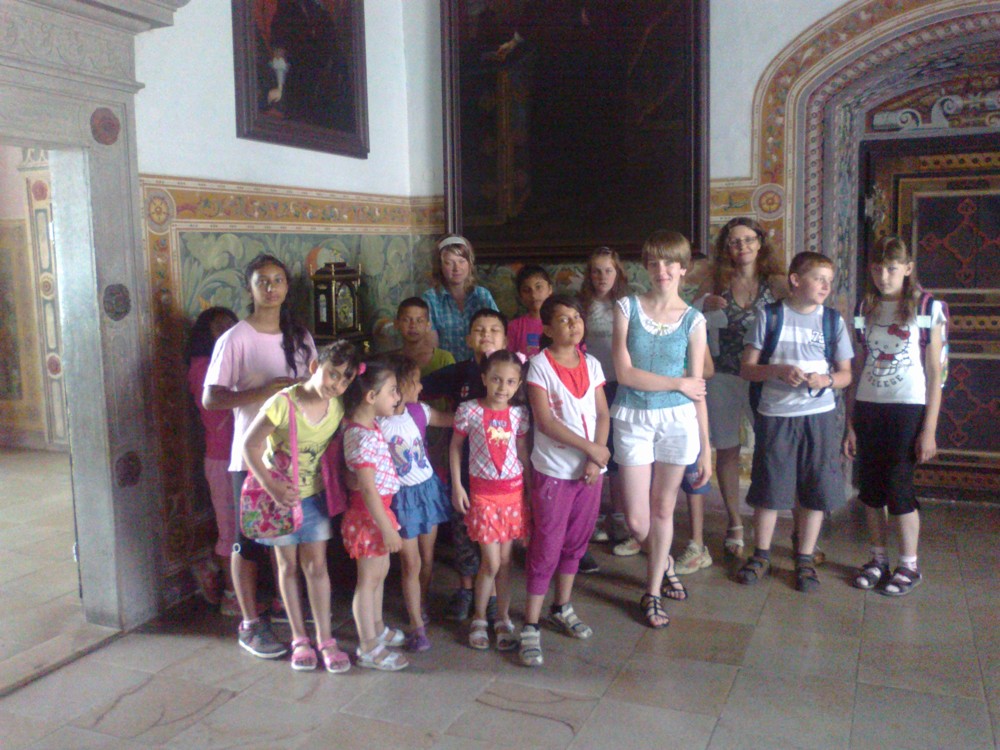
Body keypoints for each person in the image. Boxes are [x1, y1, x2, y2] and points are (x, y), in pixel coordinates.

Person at [204, 253, 314, 659]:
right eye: (262, 281)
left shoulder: (299, 336)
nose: (271, 288)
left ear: (287, 286)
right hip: (251, 456)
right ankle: (250, 622)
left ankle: (287, 606)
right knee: (247, 541)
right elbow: (212, 398)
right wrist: (264, 391)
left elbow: (313, 384)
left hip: (296, 454)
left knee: (290, 535)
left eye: (278, 280)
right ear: (249, 288)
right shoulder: (236, 338)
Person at [736, 251, 853, 592]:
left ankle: (804, 556)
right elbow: (747, 369)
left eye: (829, 281)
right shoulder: (770, 316)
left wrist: (826, 380)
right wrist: (777, 371)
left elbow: (846, 374)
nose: (826, 286)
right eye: (819, 279)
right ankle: (761, 554)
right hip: (776, 415)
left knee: (816, 486)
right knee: (770, 487)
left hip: (819, 416)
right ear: (796, 280)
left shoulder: (832, 321)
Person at [611, 231, 711, 628]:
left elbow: (697, 390)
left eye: (669, 263)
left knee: (664, 508)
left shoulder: (694, 320)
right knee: (638, 522)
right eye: (653, 263)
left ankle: (652, 591)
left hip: (678, 422)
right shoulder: (627, 308)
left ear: (683, 268)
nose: (661, 270)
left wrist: (706, 448)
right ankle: (665, 561)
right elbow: (625, 374)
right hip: (632, 417)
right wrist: (677, 383)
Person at [241, 341, 358, 673]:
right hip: (280, 499)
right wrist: (272, 486)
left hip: (315, 497)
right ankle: (299, 639)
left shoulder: (337, 406)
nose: (336, 384)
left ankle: (325, 639)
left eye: (345, 380)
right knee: (287, 566)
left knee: (317, 567)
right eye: (332, 373)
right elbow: (250, 445)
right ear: (315, 367)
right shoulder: (283, 404)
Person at [843, 236, 944, 596]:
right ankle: (877, 559)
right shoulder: (863, 307)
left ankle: (909, 565)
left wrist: (929, 429)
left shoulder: (927, 307)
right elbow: (857, 366)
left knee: (899, 488)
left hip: (908, 408)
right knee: (871, 490)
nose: (883, 276)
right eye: (877, 269)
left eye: (891, 268)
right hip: (869, 406)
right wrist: (850, 424)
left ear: (907, 268)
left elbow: (935, 371)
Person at [521, 295, 610, 666]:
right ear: (546, 328)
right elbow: (545, 423)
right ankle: (530, 623)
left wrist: (595, 458)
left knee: (576, 542)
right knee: (547, 545)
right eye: (563, 319)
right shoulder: (539, 366)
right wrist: (592, 449)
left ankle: (561, 606)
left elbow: (603, 414)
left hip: (589, 472)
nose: (573, 324)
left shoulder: (592, 363)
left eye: (577, 317)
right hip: (555, 471)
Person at [700, 218, 787, 559]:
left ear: (760, 243)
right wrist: (702, 305)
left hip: (763, 377)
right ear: (726, 247)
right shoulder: (715, 281)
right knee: (727, 449)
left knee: (772, 448)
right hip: (722, 376)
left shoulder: (776, 284)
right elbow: (689, 319)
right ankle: (735, 523)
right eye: (735, 242)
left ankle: (768, 520)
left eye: (749, 240)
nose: (742, 247)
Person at [421, 308, 510, 621]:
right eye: (480, 330)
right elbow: (415, 388)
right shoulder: (458, 372)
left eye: (494, 330)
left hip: (501, 477)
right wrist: (447, 420)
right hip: (464, 469)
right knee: (463, 532)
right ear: (469, 338)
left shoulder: (515, 374)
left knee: (494, 538)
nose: (486, 335)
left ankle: (492, 594)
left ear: (505, 339)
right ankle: (466, 588)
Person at [450, 349, 530, 651]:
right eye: (496, 379)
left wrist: (529, 493)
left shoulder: (519, 414)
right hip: (483, 495)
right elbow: (455, 448)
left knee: (506, 562)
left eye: (510, 382)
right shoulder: (469, 410)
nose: (502, 387)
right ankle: (480, 617)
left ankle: (502, 617)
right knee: (491, 561)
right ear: (484, 378)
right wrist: (457, 486)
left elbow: (521, 452)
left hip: (512, 494)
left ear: (518, 384)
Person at [379, 354, 454, 651]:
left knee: (427, 557)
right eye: (416, 381)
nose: (421, 386)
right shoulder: (378, 423)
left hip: (427, 491)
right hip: (401, 498)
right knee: (411, 563)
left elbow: (450, 420)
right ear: (399, 387)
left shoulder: (419, 411)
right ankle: (416, 624)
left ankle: (420, 602)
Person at [340, 357, 409, 671]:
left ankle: (377, 627)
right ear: (370, 396)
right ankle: (368, 646)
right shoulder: (360, 435)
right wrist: (387, 528)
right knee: (367, 582)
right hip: (369, 517)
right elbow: (367, 490)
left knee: (379, 574)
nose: (397, 397)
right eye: (392, 391)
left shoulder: (370, 426)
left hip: (378, 513)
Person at [579, 247, 634, 556]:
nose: (602, 277)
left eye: (608, 271)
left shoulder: (626, 305)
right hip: (588, 387)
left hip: (618, 384)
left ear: (618, 274)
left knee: (618, 450)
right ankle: (595, 514)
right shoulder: (582, 306)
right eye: (596, 271)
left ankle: (619, 515)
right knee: (594, 448)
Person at [186, 306, 240, 615]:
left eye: (232, 325)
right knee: (229, 529)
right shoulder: (203, 367)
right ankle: (231, 596)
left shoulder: (225, 362)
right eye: (221, 327)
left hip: (238, 454)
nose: (228, 332)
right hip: (222, 457)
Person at [422, 235, 499, 361]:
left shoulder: (482, 295)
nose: (456, 268)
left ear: (470, 263)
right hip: (446, 368)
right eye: (449, 263)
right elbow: (432, 349)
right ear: (440, 266)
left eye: (461, 261)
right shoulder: (430, 299)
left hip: (481, 367)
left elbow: (496, 333)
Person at [394, 297, 456, 378]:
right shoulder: (389, 360)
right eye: (407, 320)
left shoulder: (444, 359)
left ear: (428, 326)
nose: (413, 325)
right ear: (396, 324)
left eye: (420, 321)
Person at [507, 265, 553, 357]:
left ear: (550, 289)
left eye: (538, 287)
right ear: (520, 296)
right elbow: (509, 360)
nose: (533, 295)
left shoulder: (561, 322)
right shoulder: (514, 327)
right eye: (526, 290)